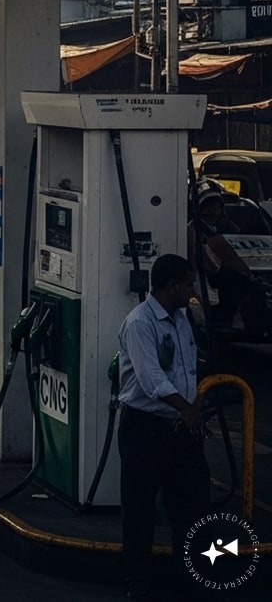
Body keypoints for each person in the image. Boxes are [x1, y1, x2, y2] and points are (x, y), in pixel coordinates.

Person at [117, 253, 209, 600]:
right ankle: (137, 581)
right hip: (145, 428)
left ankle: (190, 577)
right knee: (140, 509)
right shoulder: (141, 323)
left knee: (191, 507)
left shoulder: (183, 318)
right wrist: (186, 409)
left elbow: (185, 367)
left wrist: (195, 406)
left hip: (180, 428)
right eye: (188, 284)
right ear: (172, 286)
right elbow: (151, 379)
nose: (192, 290)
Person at [188, 189, 272, 337]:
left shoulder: (221, 228)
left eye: (217, 209)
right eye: (208, 208)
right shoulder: (198, 230)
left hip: (219, 277)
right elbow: (218, 261)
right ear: (199, 209)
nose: (212, 213)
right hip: (208, 278)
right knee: (240, 283)